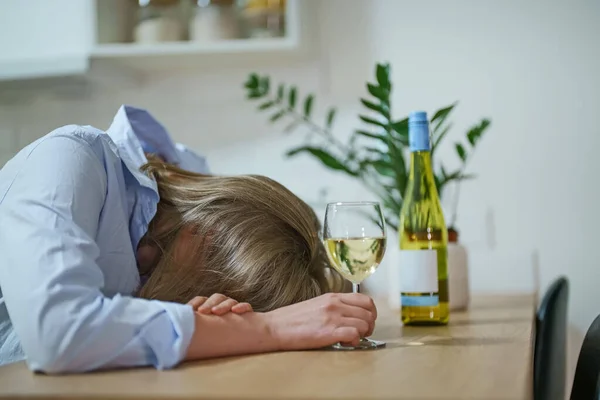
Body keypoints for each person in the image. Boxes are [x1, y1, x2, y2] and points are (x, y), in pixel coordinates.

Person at [0, 105, 377, 373]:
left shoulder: (169, 245)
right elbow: (58, 333)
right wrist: (262, 329)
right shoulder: (69, 158)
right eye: (216, 284)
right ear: (208, 237)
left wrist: (216, 326)